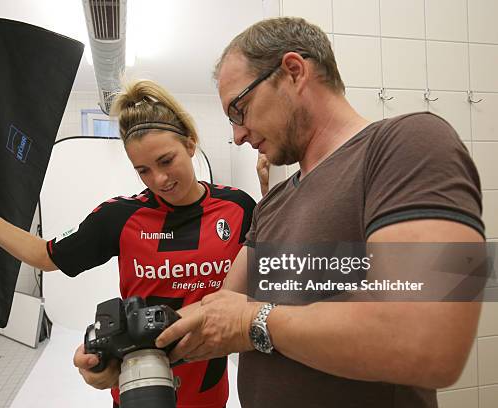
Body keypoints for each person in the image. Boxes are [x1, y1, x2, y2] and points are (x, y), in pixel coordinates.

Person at [155, 17, 485, 408]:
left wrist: (253, 323)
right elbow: (218, 313)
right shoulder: (273, 203)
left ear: (293, 71)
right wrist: (133, 353)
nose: (238, 134)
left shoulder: (407, 144)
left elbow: (428, 339)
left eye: (239, 110)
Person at [0, 80, 256, 408]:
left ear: (190, 144)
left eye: (166, 160)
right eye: (143, 170)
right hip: (136, 388)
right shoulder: (119, 216)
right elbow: (44, 255)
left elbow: (260, 289)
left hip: (207, 392)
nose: (159, 179)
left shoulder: (238, 208)